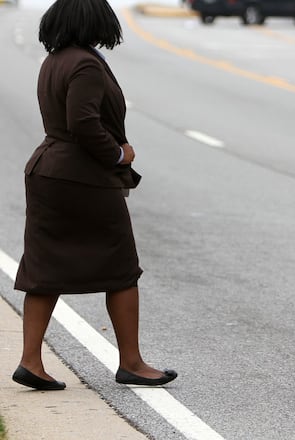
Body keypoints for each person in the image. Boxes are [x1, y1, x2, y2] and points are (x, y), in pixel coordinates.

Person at [11, 0, 176, 390]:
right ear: (92, 21)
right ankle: (132, 362)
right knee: (121, 267)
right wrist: (119, 152)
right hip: (80, 176)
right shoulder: (84, 64)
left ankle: (30, 361)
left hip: (48, 170)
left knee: (43, 269)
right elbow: (82, 123)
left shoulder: (54, 60)